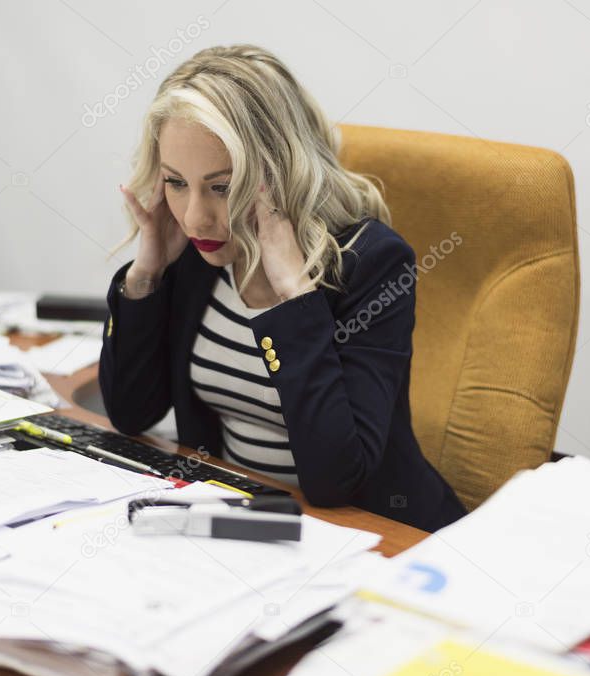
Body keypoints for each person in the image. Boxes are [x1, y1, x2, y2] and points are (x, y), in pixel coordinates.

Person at [99, 44, 466, 532]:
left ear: (277, 170)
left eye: (221, 186)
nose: (195, 217)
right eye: (176, 182)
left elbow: (337, 480)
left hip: (371, 536)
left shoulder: (372, 263)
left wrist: (295, 295)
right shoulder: (196, 254)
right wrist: (146, 276)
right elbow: (130, 411)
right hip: (246, 524)